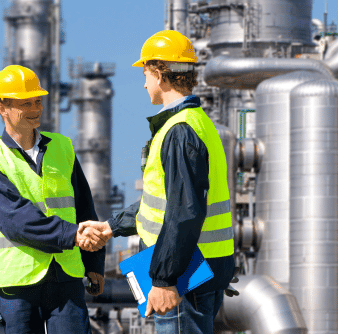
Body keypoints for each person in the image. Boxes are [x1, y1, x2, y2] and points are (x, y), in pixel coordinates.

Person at [81, 30, 235, 334]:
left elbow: (184, 211)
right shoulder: (198, 124)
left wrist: (165, 280)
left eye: (147, 74)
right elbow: (164, 202)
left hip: (184, 276)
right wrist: (112, 226)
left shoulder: (179, 131)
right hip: (199, 268)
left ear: (162, 75)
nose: (144, 82)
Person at [0, 65, 108, 334]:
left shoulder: (63, 147)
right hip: (18, 283)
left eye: (38, 101)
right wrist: (73, 236)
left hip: (66, 275)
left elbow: (84, 206)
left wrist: (94, 263)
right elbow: (16, 220)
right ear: (3, 108)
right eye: (26, 103)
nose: (36, 109)